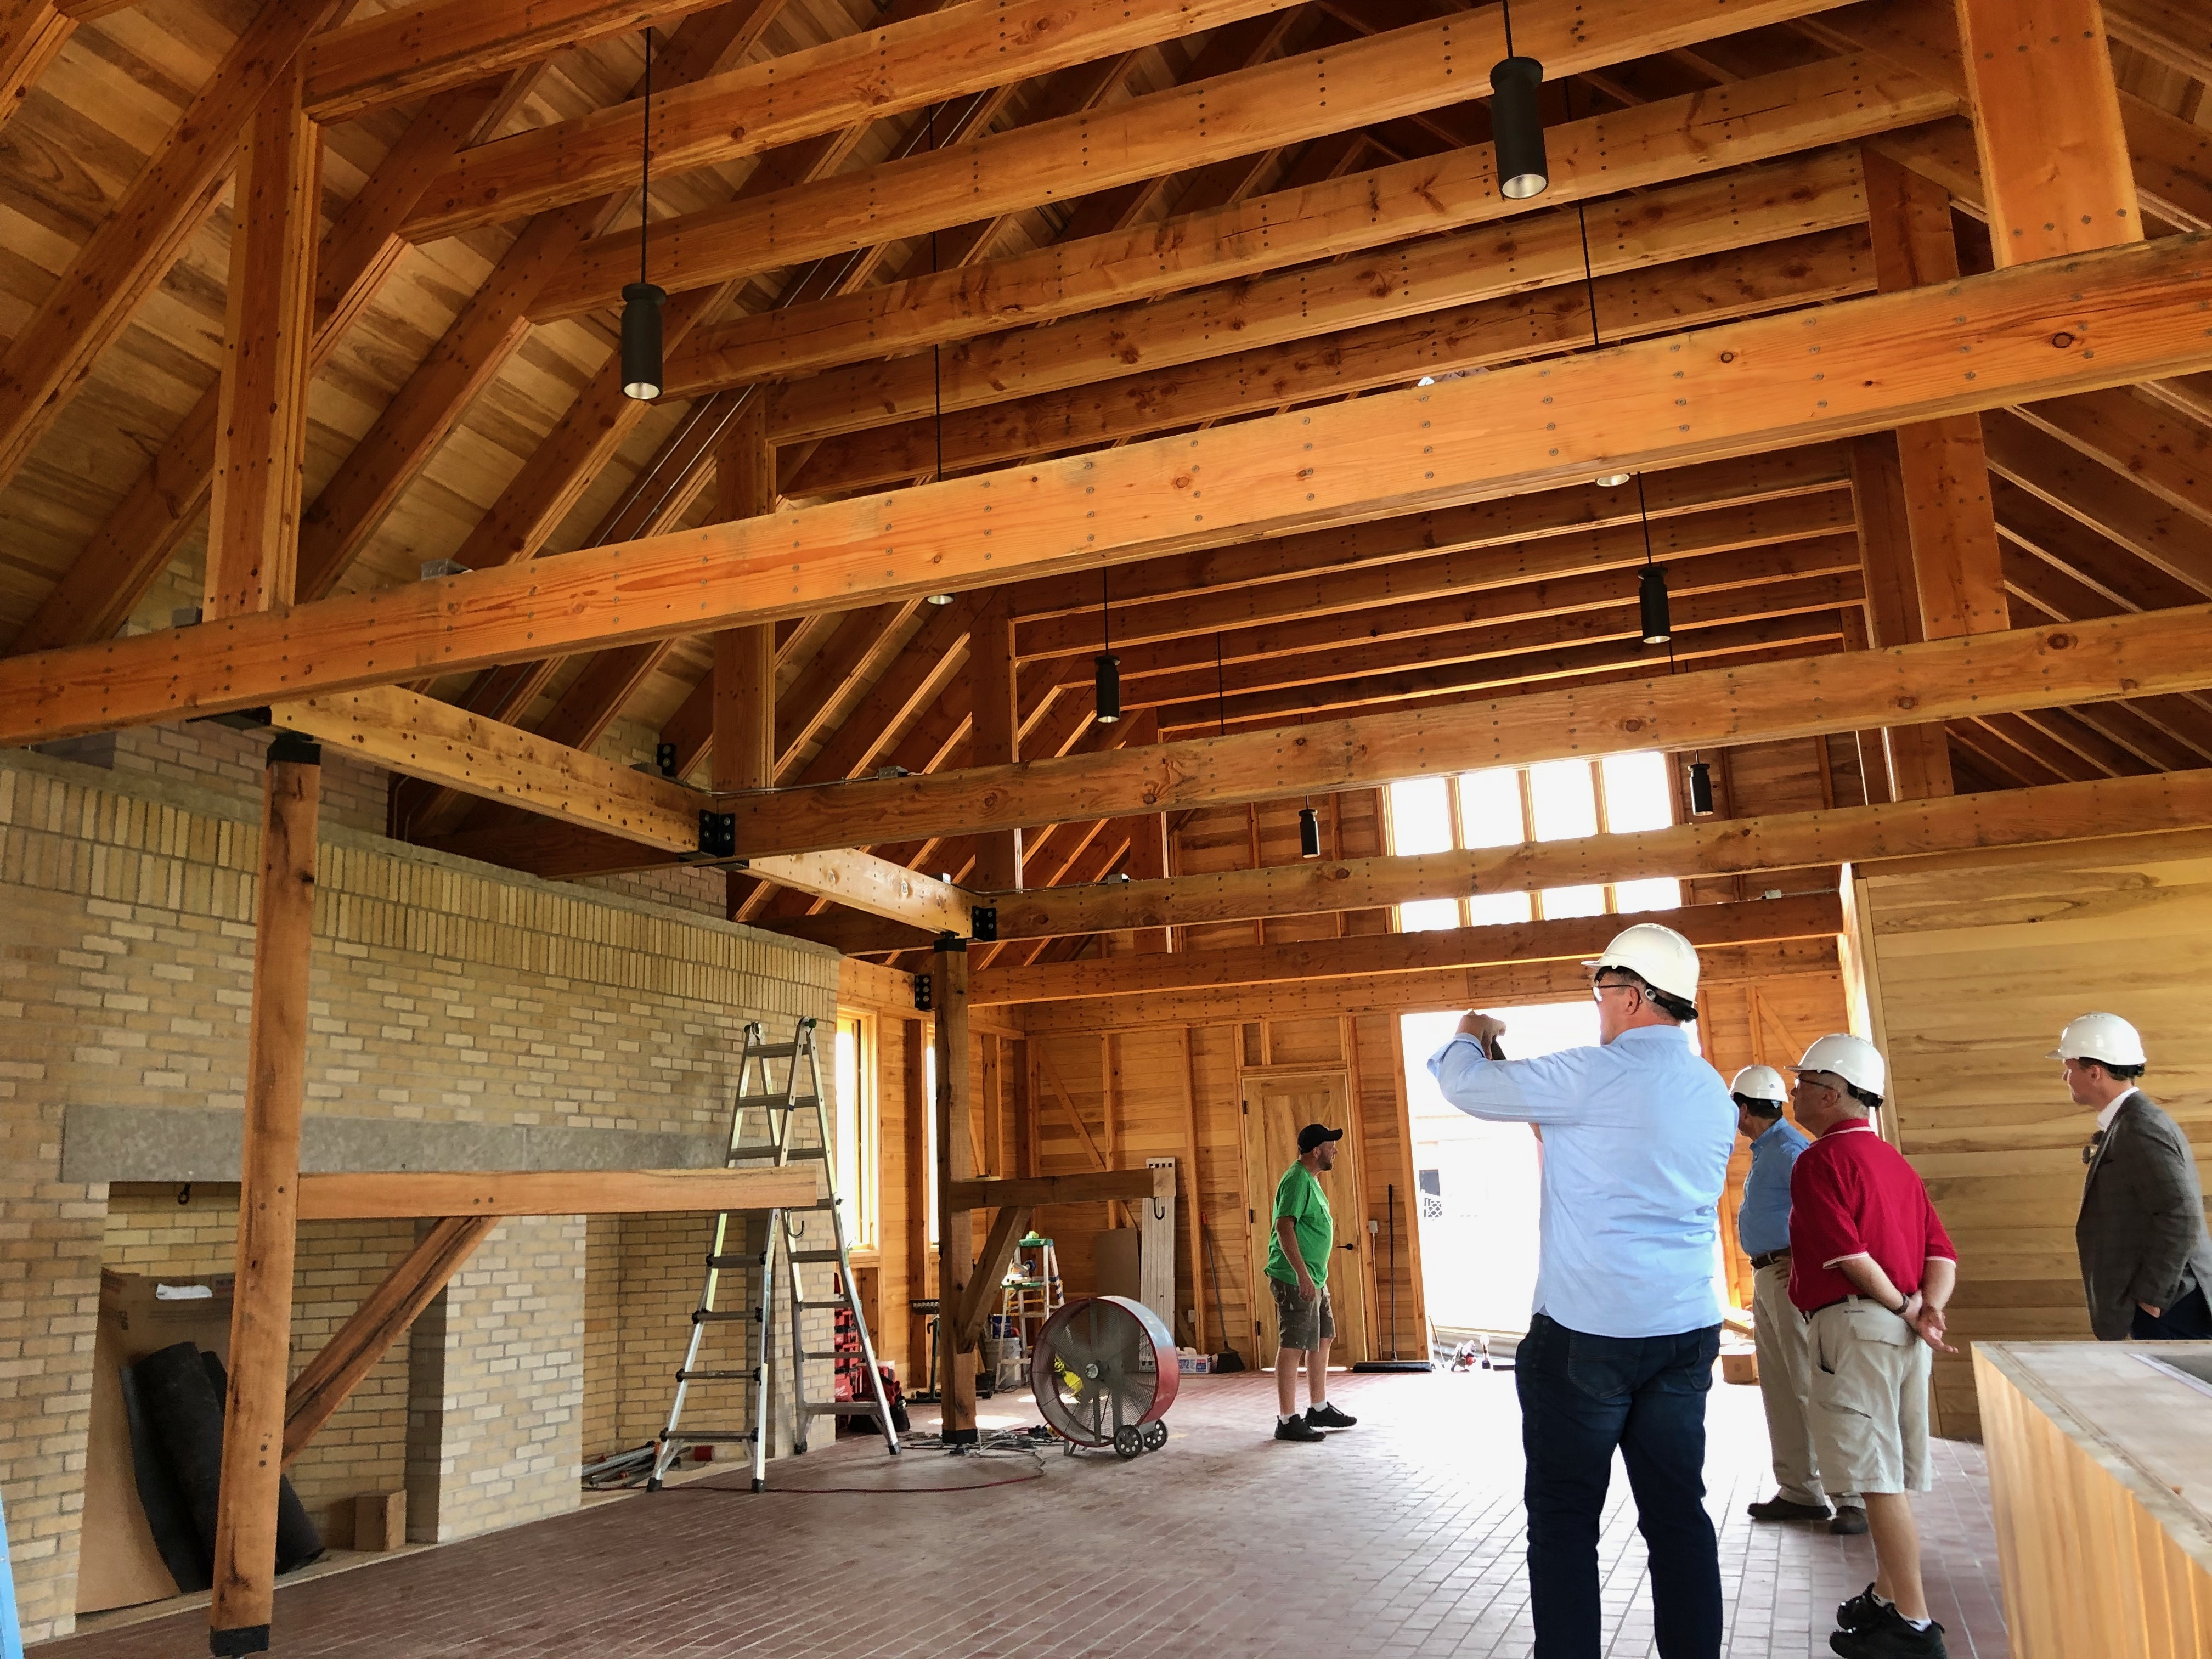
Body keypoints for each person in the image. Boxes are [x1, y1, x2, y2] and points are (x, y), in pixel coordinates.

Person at [1429, 922, 1735, 1659]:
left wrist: (1471, 1031)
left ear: (1630, 996)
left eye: (1601, 990)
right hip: (1685, 1331)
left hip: (1587, 1340)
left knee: (1565, 1522)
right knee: (1677, 1517)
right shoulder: (1712, 1093)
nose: (1597, 1006)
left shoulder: (1593, 1076)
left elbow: (1463, 1083)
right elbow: (1581, 1135)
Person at [1785, 1034, 1957, 1659]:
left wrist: (1905, 1305)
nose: (1795, 1092)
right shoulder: (1895, 1164)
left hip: (1859, 1325)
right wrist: (1928, 1309)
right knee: (1892, 1473)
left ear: (1832, 1093)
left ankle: (1913, 1624)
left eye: (1803, 1082)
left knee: (1877, 1478)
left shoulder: (1819, 1162)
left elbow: (1849, 1256)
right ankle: (1887, 1599)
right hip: (1905, 1334)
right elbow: (1942, 1252)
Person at [1733, 1064, 1866, 1537]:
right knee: (1781, 1386)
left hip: (1789, 1270)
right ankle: (1800, 1491)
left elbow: (1827, 1207)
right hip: (1767, 1273)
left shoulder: (1790, 1150)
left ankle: (1849, 1495)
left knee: (1811, 1384)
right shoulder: (1770, 1149)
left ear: (1743, 1109)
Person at [2055, 1012, 2212, 1340]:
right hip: (2172, 1303)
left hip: (2172, 1307)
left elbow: (2181, 1214)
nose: (2064, 1078)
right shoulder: (2134, 1122)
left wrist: (2152, 1300)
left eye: (2069, 1069)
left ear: (2094, 1072)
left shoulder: (2139, 1127)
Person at [1265, 1121, 1358, 1442]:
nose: (1336, 1150)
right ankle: (1287, 1419)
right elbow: (1284, 1227)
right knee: (1292, 1345)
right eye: (1331, 1145)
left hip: (1315, 1277)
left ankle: (1318, 1408)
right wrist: (1303, 1276)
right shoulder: (1296, 1180)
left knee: (1323, 1338)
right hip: (1295, 1277)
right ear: (1317, 1150)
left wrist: (1314, 1277)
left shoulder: (1311, 1180)